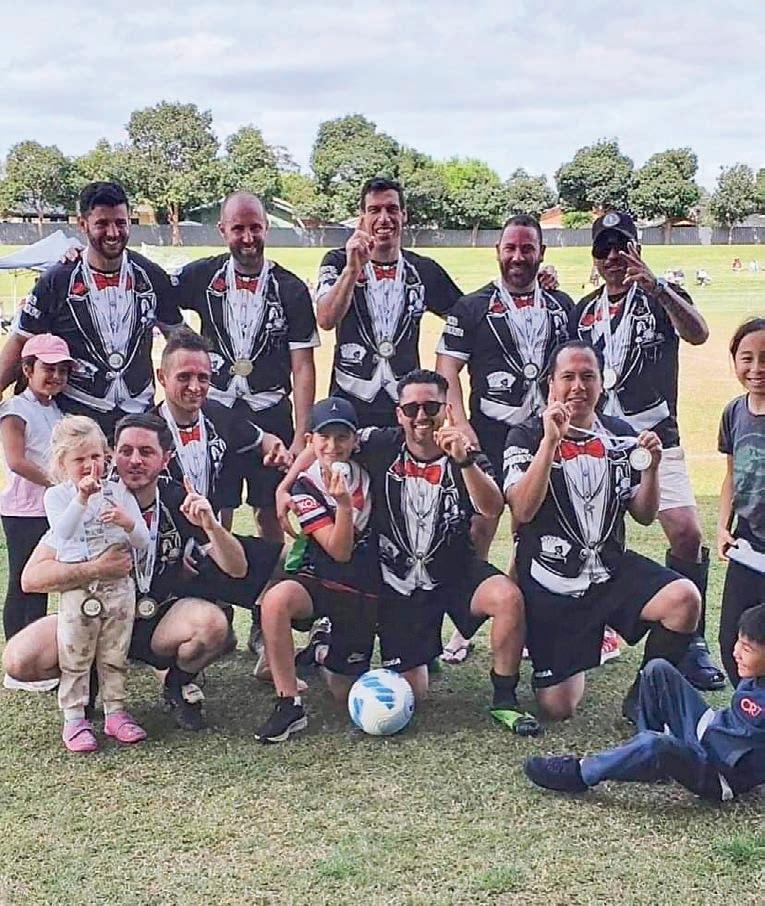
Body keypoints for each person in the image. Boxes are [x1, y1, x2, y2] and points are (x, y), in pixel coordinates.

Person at [279, 369, 541, 735]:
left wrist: (464, 462)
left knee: (507, 598)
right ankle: (324, 647)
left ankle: (504, 700)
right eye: (411, 408)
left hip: (452, 569)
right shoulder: (379, 444)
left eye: (431, 407)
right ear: (399, 413)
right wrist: (286, 485)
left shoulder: (466, 454)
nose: (421, 416)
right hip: (397, 581)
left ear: (446, 409)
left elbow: (493, 507)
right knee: (398, 691)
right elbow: (325, 443)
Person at [2, 413, 248, 732]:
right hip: (93, 612)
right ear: (112, 454)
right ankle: (89, 674)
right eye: (125, 451)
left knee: (212, 625)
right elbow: (31, 578)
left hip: (156, 618)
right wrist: (95, 569)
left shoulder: (177, 500)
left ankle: (176, 684)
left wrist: (211, 525)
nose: (134, 461)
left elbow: (237, 568)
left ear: (165, 459)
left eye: (146, 452)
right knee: (19, 659)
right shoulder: (88, 498)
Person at [504, 341, 700, 722]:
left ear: (601, 384)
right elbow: (523, 509)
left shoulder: (619, 433)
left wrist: (652, 470)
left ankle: (645, 693)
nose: (578, 386)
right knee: (557, 707)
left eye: (588, 376)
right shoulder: (525, 436)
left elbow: (643, 515)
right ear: (550, 384)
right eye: (568, 377)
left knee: (685, 600)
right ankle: (573, 642)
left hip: (609, 572)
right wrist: (550, 442)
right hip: (555, 584)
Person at [571, 211, 722, 692]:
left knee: (686, 532)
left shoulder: (662, 297)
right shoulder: (585, 310)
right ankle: (594, 626)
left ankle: (690, 641)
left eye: (623, 247)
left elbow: (698, 333)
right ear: (594, 257)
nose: (613, 257)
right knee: (590, 534)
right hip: (601, 441)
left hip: (656, 438)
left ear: (638, 249)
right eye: (603, 248)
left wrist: (656, 287)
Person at [435, 214, 573, 662]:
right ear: (497, 252)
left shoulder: (562, 306)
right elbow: (446, 369)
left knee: (531, 526)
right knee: (479, 526)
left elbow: (577, 367)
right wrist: (460, 422)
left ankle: (521, 617)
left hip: (542, 435)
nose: (518, 256)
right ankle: (464, 624)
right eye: (510, 248)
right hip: (489, 431)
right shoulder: (472, 307)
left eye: (527, 248)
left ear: (541, 253)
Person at [172, 191, 318, 546]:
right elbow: (156, 290)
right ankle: (218, 574)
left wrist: (300, 436)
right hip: (217, 411)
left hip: (271, 411)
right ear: (223, 230)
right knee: (216, 506)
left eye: (255, 228)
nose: (248, 238)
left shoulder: (291, 288)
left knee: (269, 508)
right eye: (238, 229)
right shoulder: (203, 275)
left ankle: (270, 577)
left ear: (266, 227)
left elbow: (303, 367)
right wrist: (182, 339)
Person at [524, 604, 765, 802]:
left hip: (716, 772)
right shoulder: (754, 675)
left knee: (656, 744)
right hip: (708, 731)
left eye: (747, 649)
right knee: (657, 669)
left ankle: (580, 773)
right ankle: (650, 764)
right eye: (738, 642)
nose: (736, 652)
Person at [0, 182, 183, 439]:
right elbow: (21, 339)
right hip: (75, 421)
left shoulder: (150, 275)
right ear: (82, 224)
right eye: (102, 224)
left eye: (120, 223)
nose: (113, 232)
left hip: (138, 417)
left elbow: (179, 337)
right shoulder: (58, 279)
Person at [254, 397, 381, 743]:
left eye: (342, 437)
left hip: (361, 589)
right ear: (311, 439)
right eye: (324, 437)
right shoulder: (305, 486)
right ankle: (288, 703)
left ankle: (320, 648)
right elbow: (339, 551)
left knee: (343, 692)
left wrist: (284, 483)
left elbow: (325, 448)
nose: (333, 446)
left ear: (356, 441)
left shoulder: (366, 464)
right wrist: (339, 504)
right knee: (276, 600)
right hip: (320, 578)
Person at [315, 177, 461, 428]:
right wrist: (352, 270)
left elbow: (468, 317)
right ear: (362, 217)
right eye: (374, 210)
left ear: (404, 215)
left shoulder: (423, 270)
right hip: (350, 398)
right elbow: (326, 319)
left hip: (406, 406)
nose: (384, 218)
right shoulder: (338, 261)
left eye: (392, 209)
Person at [43, 415, 151, 752]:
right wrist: (81, 499)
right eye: (80, 459)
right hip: (80, 590)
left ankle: (115, 711)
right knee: (75, 654)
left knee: (115, 652)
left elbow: (143, 541)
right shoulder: (57, 496)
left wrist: (127, 522)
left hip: (119, 589)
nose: (90, 466)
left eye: (96, 456)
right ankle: (74, 717)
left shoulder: (119, 493)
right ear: (63, 463)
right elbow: (62, 534)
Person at [1, 335, 72, 688]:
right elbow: (16, 461)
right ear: (28, 369)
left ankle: (35, 657)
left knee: (41, 581)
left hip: (47, 509)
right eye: (49, 369)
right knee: (22, 581)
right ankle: (17, 665)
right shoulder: (16, 409)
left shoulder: (56, 411)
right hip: (22, 509)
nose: (56, 376)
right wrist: (58, 484)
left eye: (62, 370)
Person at [717, 318, 765, 686]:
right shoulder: (735, 412)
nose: (756, 368)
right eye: (747, 358)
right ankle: (747, 706)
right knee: (733, 638)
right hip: (747, 542)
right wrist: (722, 527)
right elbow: (731, 475)